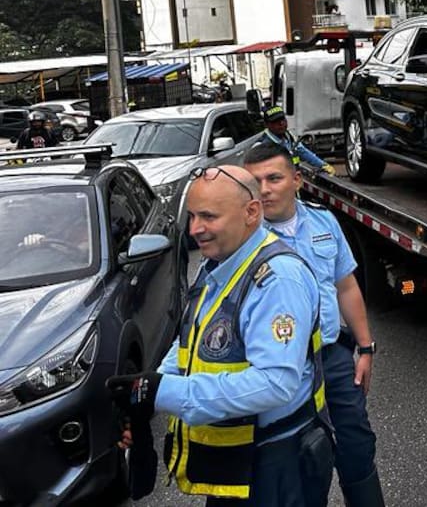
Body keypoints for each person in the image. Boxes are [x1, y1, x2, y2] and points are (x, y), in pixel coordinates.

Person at [106, 164, 334, 507]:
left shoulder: (277, 280)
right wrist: (151, 388)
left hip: (275, 465)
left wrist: (166, 391)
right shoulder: (221, 262)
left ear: (251, 213)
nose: (196, 229)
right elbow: (192, 338)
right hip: (239, 466)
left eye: (209, 217)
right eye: (193, 215)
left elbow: (275, 382)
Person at [244, 140, 385, 507]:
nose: (264, 189)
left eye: (274, 178)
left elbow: (345, 285)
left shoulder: (323, 221)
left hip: (333, 356)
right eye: (255, 180)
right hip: (281, 367)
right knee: (301, 458)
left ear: (297, 179)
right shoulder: (243, 239)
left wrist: (366, 347)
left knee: (357, 444)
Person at [263, 104, 335, 174]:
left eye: (283, 119)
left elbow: (302, 151)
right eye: (276, 121)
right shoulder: (264, 146)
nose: (281, 123)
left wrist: (324, 165)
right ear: (266, 125)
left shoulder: (288, 136)